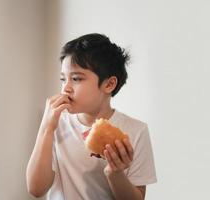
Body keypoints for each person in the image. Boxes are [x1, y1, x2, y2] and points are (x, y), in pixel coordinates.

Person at [26, 33, 157, 200]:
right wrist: (46, 128)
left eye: (76, 78)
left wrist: (115, 173)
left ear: (109, 84)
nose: (65, 88)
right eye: (62, 79)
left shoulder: (135, 131)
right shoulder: (56, 123)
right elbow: (36, 189)